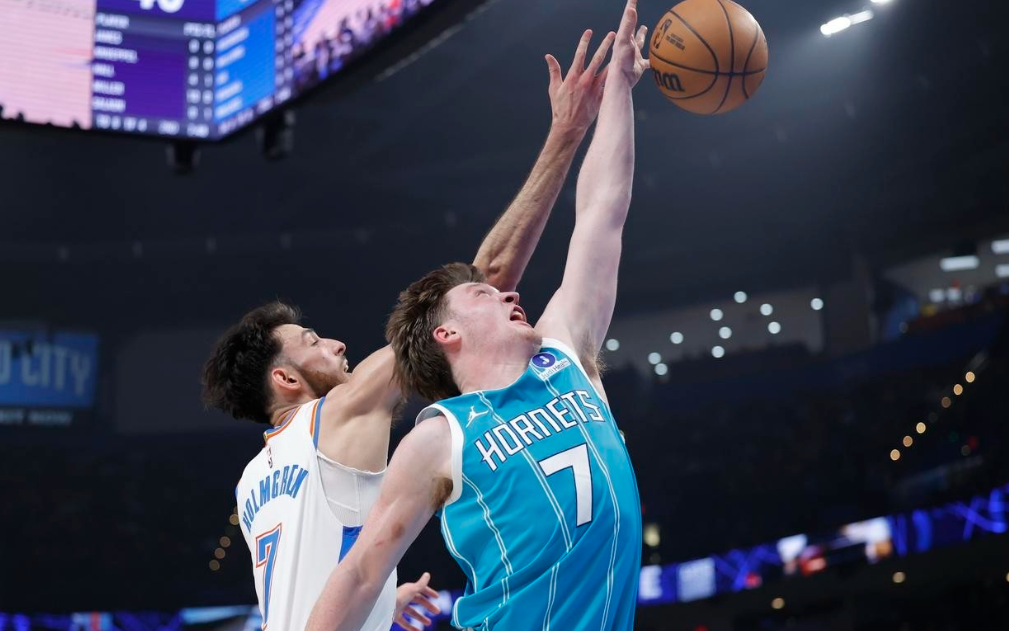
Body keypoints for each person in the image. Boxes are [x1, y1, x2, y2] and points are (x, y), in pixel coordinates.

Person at [201, 29, 616, 631]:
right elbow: (483, 283)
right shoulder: (335, 415)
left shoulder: (251, 483)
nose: (337, 343)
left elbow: (301, 583)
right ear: (286, 379)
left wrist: (378, 608)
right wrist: (564, 135)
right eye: (313, 342)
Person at [305, 1, 649, 629]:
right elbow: (359, 573)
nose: (510, 295)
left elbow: (602, 214)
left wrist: (621, 89)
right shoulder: (441, 437)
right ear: (447, 334)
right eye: (484, 295)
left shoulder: (565, 355)